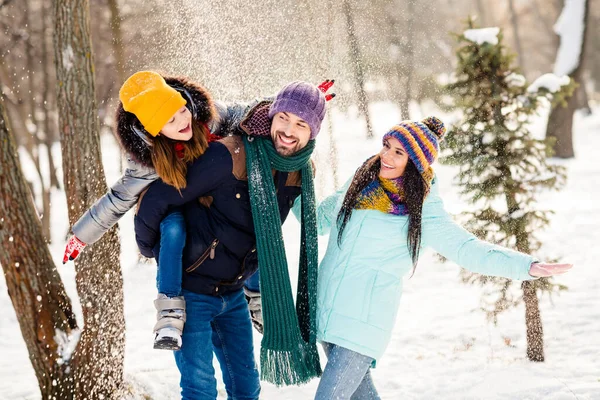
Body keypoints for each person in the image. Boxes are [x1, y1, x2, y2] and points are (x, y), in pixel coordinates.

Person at [312, 116, 573, 400]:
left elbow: (467, 249)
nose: (386, 156)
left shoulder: (423, 209)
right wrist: (293, 173)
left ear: (415, 162)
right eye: (386, 145)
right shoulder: (360, 182)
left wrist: (526, 266)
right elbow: (316, 220)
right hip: (328, 312)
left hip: (363, 324)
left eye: (399, 152)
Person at [134, 81, 334, 399]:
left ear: (313, 132)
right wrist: (151, 249)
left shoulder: (300, 172)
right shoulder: (229, 154)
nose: (288, 130)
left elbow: (318, 221)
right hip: (192, 293)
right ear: (271, 116)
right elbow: (159, 198)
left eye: (301, 123)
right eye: (283, 117)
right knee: (200, 389)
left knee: (246, 388)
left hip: (234, 295)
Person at [62, 70, 247, 350]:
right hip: (175, 210)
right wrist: (81, 235)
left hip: (212, 206)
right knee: (173, 231)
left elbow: (247, 114)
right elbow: (117, 199)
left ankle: (256, 295)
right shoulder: (145, 162)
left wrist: (290, 109)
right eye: (170, 121)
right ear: (154, 130)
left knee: (243, 215)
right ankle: (170, 312)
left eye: (181, 110)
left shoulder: (208, 118)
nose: (183, 120)